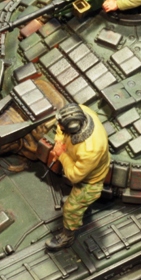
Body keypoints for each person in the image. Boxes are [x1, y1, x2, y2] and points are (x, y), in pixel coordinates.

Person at [46, 104, 110, 251]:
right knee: (74, 202)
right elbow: (60, 128)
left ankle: (67, 236)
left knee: (70, 209)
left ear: (73, 127)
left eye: (63, 126)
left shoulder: (90, 149)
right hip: (79, 162)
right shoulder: (81, 111)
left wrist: (61, 155)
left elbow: (75, 176)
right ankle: (83, 207)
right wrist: (59, 142)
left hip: (90, 181)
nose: (59, 126)